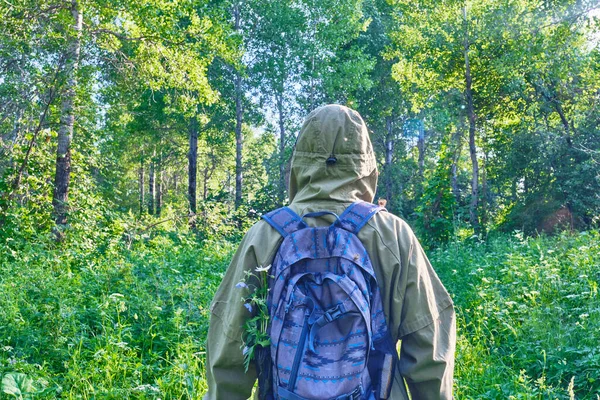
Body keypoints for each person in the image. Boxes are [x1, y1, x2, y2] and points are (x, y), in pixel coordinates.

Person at [204, 104, 455, 399]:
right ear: (367, 165)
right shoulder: (393, 235)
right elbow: (429, 345)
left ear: (299, 163)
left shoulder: (265, 234)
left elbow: (230, 342)